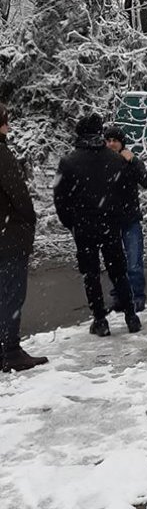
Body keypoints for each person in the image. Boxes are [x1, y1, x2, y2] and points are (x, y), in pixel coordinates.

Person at [53, 113, 141, 337]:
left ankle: (100, 320)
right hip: (110, 224)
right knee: (118, 271)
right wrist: (117, 217)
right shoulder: (115, 160)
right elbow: (126, 193)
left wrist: (71, 223)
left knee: (90, 274)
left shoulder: (69, 162)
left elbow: (60, 199)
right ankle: (131, 315)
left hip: (84, 227)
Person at [0, 103, 48, 372]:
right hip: (9, 237)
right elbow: (20, 197)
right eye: (5, 121)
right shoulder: (2, 155)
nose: (8, 126)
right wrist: (29, 220)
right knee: (12, 294)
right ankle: (10, 350)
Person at [104, 125, 147, 312]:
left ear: (121, 142)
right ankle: (118, 296)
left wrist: (132, 161)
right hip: (110, 221)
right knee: (115, 263)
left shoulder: (131, 162)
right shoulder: (102, 163)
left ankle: (137, 296)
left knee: (133, 262)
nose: (111, 144)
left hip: (130, 220)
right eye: (108, 140)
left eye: (114, 140)